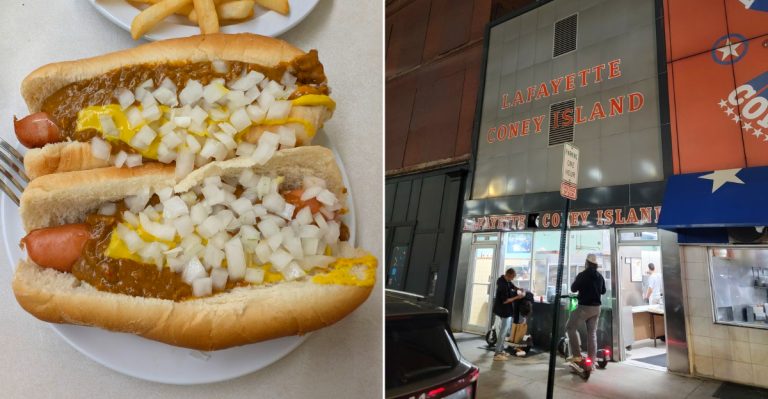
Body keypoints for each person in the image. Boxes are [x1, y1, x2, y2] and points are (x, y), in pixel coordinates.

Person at [565, 254, 606, 365]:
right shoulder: (599, 276)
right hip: (597, 309)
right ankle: (592, 360)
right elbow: (603, 291)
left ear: (587, 263)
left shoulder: (582, 275)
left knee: (570, 327)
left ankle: (577, 355)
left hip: (584, 308)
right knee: (592, 333)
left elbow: (573, 288)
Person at [492, 268, 524, 361]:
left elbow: (512, 285)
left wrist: (518, 289)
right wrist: (518, 297)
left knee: (505, 331)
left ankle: (501, 350)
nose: (513, 279)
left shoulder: (504, 280)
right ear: (509, 275)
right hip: (503, 310)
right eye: (512, 277)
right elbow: (505, 301)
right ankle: (497, 353)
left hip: (506, 310)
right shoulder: (502, 285)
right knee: (503, 332)